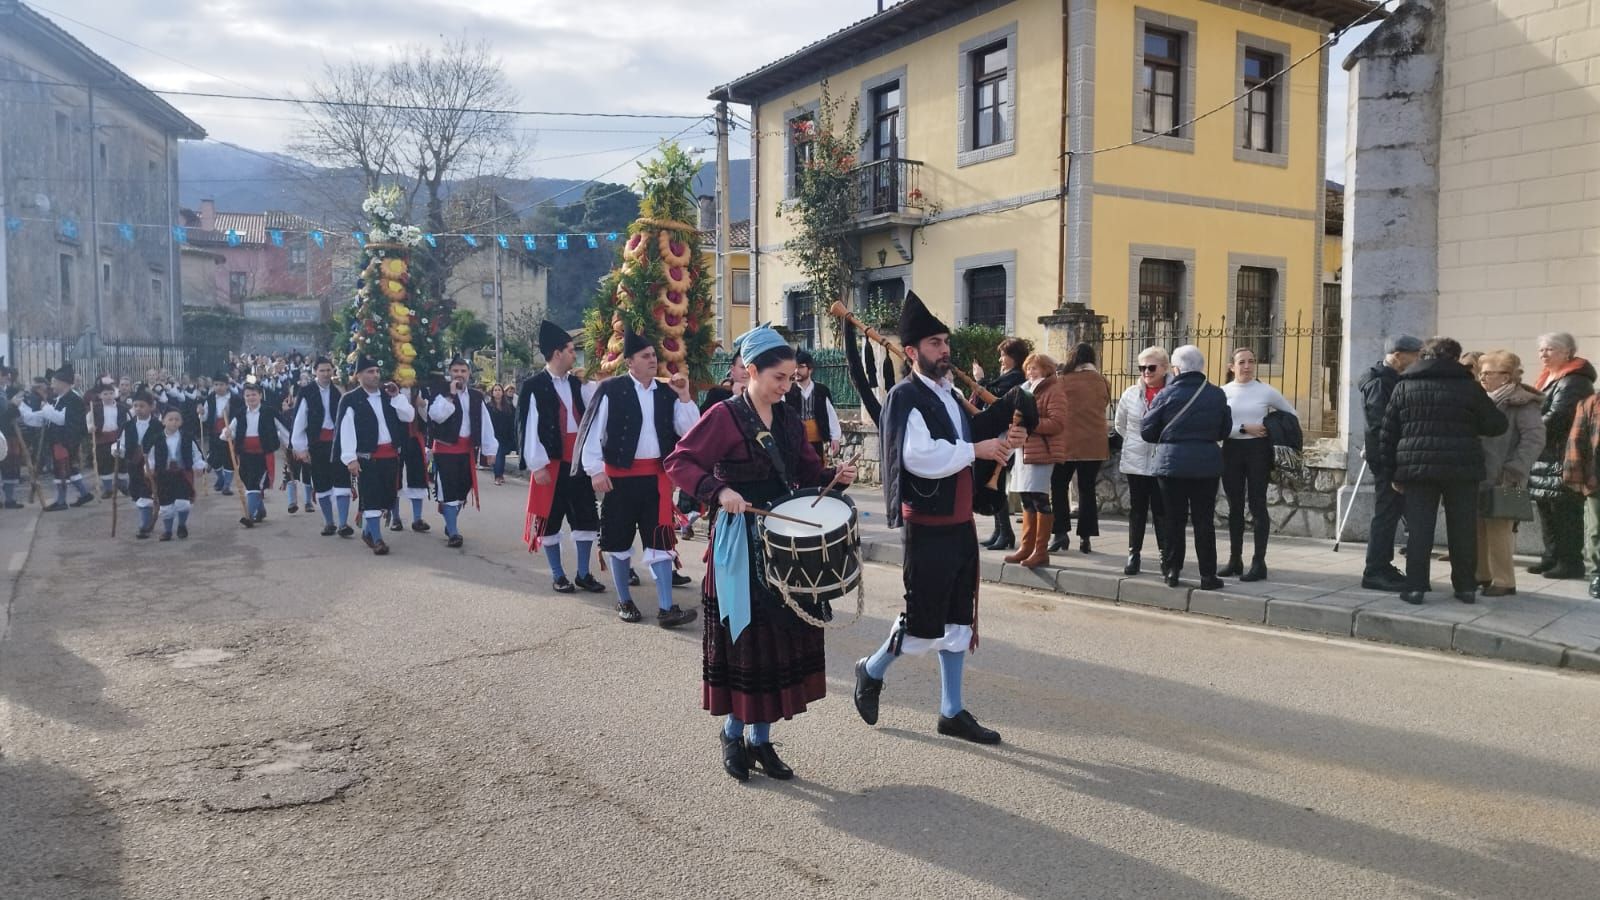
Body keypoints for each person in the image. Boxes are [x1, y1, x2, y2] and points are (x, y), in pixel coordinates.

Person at [665, 325, 856, 782]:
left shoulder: (790, 418)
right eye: (779, 378)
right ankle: (733, 734)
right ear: (751, 371)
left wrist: (834, 475)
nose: (787, 386)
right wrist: (719, 489)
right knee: (745, 640)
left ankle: (762, 740)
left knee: (777, 641)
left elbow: (806, 472)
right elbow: (679, 462)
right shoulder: (724, 417)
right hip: (738, 540)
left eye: (791, 378)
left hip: (781, 541)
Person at [851, 291, 1024, 745]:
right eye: (934, 342)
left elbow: (972, 436)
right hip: (927, 527)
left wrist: (1006, 432)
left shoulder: (947, 394)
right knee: (923, 621)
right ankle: (870, 670)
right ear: (911, 352)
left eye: (945, 341)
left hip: (960, 524)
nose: (944, 349)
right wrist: (976, 449)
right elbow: (920, 456)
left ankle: (951, 711)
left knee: (957, 621)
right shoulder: (905, 397)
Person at [576, 331, 700, 627]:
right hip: (618, 479)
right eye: (645, 356)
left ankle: (667, 608)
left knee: (661, 542)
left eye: (654, 356)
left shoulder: (667, 392)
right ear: (629, 361)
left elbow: (690, 430)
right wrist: (595, 470)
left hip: (656, 481)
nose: (653, 360)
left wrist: (684, 395)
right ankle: (624, 600)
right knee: (618, 541)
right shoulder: (611, 390)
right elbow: (593, 431)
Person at [1379, 337, 1509, 605]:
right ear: (1456, 357)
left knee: (1419, 530)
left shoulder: (1404, 385)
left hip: (1417, 470)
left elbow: (1388, 433)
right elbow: (1496, 425)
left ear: (1424, 356)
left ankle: (1415, 588)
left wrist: (1392, 473)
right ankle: (1465, 588)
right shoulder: (1470, 387)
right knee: (1462, 530)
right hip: (1462, 469)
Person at [522, 320, 605, 595]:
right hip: (552, 463)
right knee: (550, 519)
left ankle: (583, 573)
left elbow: (597, 402)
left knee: (585, 518)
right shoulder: (534, 385)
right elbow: (529, 427)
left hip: (578, 462)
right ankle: (558, 574)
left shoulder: (576, 383)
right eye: (570, 350)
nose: (574, 354)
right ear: (557, 353)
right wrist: (537, 465)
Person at [1141, 345, 1232, 591]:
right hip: (1206, 465)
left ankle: (1172, 571)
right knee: (1204, 521)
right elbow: (1224, 430)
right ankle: (1208, 576)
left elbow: (1147, 431)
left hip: (1172, 464)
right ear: (1201, 367)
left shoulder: (1166, 394)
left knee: (1173, 519)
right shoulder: (1217, 394)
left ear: (1176, 368)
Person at [1219, 347, 1298, 582]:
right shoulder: (1222, 392)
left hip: (1258, 451)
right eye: (1241, 362)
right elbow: (1217, 426)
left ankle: (1258, 562)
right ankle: (1235, 560)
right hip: (1231, 450)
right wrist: (1243, 428)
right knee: (1234, 507)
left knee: (1258, 506)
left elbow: (1291, 416)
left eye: (1251, 361)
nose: (1247, 366)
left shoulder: (1266, 391)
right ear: (1231, 367)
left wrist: (1271, 426)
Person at [1473, 351, 1545, 597]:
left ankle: (1504, 580)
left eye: (1487, 373)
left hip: (1505, 474)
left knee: (1499, 528)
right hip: (1480, 472)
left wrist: (1515, 468)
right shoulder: (1484, 398)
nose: (1482, 377)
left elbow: (1534, 439)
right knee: (1478, 525)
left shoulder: (1522, 402)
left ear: (1506, 376)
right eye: (1481, 373)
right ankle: (1481, 574)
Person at [1357, 335, 1423, 591]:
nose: (1418, 360)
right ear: (1398, 354)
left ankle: (1382, 565)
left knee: (1391, 513)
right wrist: (1392, 463)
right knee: (1386, 515)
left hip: (1393, 456)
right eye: (1415, 355)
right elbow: (1380, 425)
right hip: (1388, 459)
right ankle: (1375, 570)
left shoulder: (1391, 379)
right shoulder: (1379, 382)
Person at [1528, 332, 1595, 580]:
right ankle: (1551, 557)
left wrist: (1529, 431)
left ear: (1568, 353)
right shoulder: (1547, 378)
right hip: (1545, 454)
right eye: (1541, 349)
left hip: (1562, 455)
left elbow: (1559, 417)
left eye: (1550, 349)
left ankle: (1570, 562)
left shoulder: (1575, 380)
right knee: (1547, 507)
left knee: (1564, 510)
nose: (1544, 354)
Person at [335, 356, 416, 556]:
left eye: (377, 371)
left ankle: (368, 531)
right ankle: (377, 539)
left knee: (386, 497)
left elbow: (409, 416)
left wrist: (397, 397)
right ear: (358, 375)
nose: (375, 375)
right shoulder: (351, 399)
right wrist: (350, 458)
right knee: (370, 497)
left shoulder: (389, 395)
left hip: (390, 456)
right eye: (370, 372)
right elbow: (346, 430)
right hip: (367, 458)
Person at [1046, 343, 1112, 554]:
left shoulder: (1061, 381)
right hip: (1094, 443)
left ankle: (1060, 533)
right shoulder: (1102, 381)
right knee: (1087, 489)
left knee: (1058, 485)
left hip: (1066, 442)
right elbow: (1104, 404)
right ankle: (1086, 537)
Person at [427, 357, 498, 549]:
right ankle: (453, 531)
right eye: (455, 370)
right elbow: (436, 416)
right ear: (450, 373)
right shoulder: (440, 392)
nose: (459, 374)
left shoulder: (476, 396)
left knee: (462, 490)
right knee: (448, 490)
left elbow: (485, 424)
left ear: (469, 374)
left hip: (467, 451)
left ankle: (450, 522)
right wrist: (450, 395)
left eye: (463, 371)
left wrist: (490, 450)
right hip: (445, 450)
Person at [1003, 352, 1065, 568]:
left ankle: (1040, 551)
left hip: (1042, 452)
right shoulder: (1024, 390)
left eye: (1035, 368)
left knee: (1039, 499)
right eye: (1028, 368)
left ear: (1046, 369)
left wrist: (1030, 424)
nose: (1030, 372)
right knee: (1026, 499)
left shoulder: (1054, 390)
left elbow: (1058, 423)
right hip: (1024, 451)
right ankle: (1026, 548)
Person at [1114, 347, 1170, 576]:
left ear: (1165, 368)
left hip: (1162, 460)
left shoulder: (1172, 392)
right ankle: (1133, 554)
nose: (1146, 371)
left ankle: (1165, 556)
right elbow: (1120, 425)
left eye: (1152, 367)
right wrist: (1137, 442)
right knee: (1137, 510)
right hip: (1136, 460)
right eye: (1142, 367)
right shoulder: (1130, 393)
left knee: (1161, 511)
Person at [291, 358, 355, 538]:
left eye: (329, 370)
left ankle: (343, 523)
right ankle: (329, 522)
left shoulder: (339, 391)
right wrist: (300, 447)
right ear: (315, 372)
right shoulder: (307, 392)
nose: (326, 374)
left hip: (338, 444)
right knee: (321, 484)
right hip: (317, 444)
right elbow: (299, 421)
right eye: (322, 371)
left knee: (342, 481)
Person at [977, 337, 1030, 551]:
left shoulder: (1016, 378)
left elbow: (996, 402)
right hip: (996, 435)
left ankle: (1005, 532)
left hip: (1003, 438)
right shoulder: (1007, 377)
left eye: (1004, 355)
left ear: (1014, 357)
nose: (1000, 359)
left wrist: (980, 381)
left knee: (996, 485)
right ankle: (1000, 530)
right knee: (995, 485)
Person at [19, 365, 96, 510]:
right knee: (69, 469)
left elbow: (61, 419)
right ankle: (85, 494)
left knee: (61, 470)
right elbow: (45, 415)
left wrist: (45, 409)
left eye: (54, 382)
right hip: (58, 439)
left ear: (63, 383)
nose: (51, 385)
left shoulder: (73, 399)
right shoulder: (60, 398)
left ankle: (61, 502)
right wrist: (23, 408)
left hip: (66, 441)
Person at [222, 381, 290, 524]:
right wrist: (227, 432)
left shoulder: (269, 411)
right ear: (244, 397)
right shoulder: (240, 413)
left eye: (254, 394)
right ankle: (260, 510)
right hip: (245, 455)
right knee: (247, 481)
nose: (251, 398)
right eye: (248, 395)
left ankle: (249, 515)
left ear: (260, 395)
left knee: (254, 483)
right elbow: (230, 431)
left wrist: (292, 446)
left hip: (263, 455)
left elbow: (283, 429)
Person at [146, 407, 209, 541]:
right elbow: (150, 457)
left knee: (183, 503)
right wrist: (150, 468)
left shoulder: (187, 437)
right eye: (170, 419)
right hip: (163, 475)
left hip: (182, 474)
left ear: (181, 422)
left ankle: (181, 525)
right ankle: (168, 531)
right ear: (163, 421)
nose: (173, 422)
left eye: (177, 419)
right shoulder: (156, 439)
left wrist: (198, 466)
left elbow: (196, 454)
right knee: (166, 506)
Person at [1563, 393, 1600, 599]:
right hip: (1597, 477)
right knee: (1597, 529)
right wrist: (1575, 475)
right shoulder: (1590, 403)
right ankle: (1598, 573)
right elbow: (1576, 439)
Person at [112, 390, 160, 538]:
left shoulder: (158, 426)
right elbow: (122, 442)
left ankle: (144, 525)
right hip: (133, 464)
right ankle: (147, 520)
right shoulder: (128, 425)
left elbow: (162, 445)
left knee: (147, 492)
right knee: (137, 492)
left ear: (151, 407)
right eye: (136, 405)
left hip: (151, 466)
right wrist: (117, 449)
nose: (138, 408)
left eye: (142, 406)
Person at [785, 349, 842, 464]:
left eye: (800, 367)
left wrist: (835, 437)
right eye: (795, 367)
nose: (796, 371)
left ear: (810, 369)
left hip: (817, 440)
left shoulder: (821, 391)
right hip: (795, 440)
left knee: (817, 469)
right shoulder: (787, 391)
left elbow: (830, 414)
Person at [389, 386, 432, 534]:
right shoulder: (390, 388)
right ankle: (395, 517)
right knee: (395, 476)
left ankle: (417, 519)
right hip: (396, 438)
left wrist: (422, 404)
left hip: (416, 437)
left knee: (418, 476)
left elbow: (429, 417)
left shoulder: (421, 389)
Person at [201, 375, 243, 495]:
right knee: (214, 459)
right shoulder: (210, 399)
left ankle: (226, 485)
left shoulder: (235, 399)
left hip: (230, 432)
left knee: (229, 458)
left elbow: (240, 416)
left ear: (227, 385)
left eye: (221, 385)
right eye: (216, 385)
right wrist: (201, 413)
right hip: (215, 432)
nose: (218, 387)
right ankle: (221, 478)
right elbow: (204, 417)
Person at [87, 382, 127, 499]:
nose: (109, 396)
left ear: (115, 394)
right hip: (102, 438)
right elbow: (89, 421)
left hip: (118, 438)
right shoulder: (95, 408)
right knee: (105, 464)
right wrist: (91, 428)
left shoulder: (122, 407)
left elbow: (128, 421)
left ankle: (123, 486)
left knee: (121, 462)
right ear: (100, 396)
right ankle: (108, 489)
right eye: (105, 394)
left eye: (111, 393)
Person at [277, 392, 310, 514]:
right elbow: (281, 430)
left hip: (306, 448)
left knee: (307, 474)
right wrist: (287, 444)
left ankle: (308, 502)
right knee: (290, 473)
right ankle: (292, 501)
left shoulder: (309, 412)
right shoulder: (286, 414)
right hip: (291, 449)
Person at [487, 384, 517, 486]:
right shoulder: (489, 406)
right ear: (492, 393)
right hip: (493, 435)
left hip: (505, 435)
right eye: (495, 390)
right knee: (498, 454)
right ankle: (498, 476)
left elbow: (513, 419)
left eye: (499, 390)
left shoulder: (508, 405)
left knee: (502, 455)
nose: (497, 392)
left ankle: (501, 474)